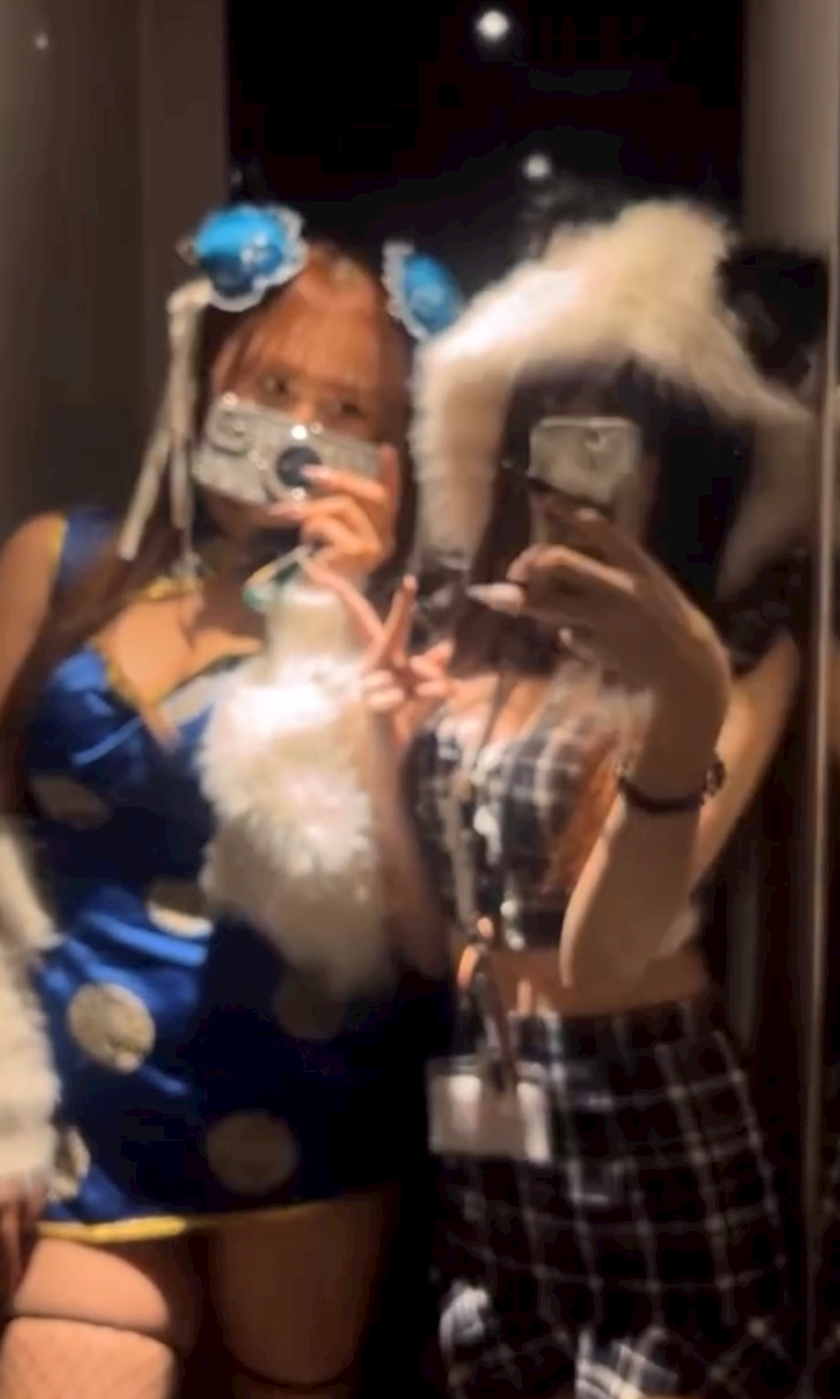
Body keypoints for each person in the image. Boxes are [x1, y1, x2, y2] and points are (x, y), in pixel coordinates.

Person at [318, 192, 826, 1398]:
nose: (577, 473)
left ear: (678, 457)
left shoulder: (732, 649)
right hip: (492, 1141)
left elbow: (609, 950)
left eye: (617, 438)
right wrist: (378, 742)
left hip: (649, 1115)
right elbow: (428, 941)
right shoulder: (474, 640)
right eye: (552, 434)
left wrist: (683, 696)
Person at [0, 203, 462, 1399]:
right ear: (205, 381)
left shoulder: (401, 635)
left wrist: (330, 623)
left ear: (393, 450)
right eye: (272, 387)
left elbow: (405, 936)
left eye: (348, 411)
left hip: (304, 1108)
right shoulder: (59, 562)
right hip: (75, 1112)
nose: (300, 433)